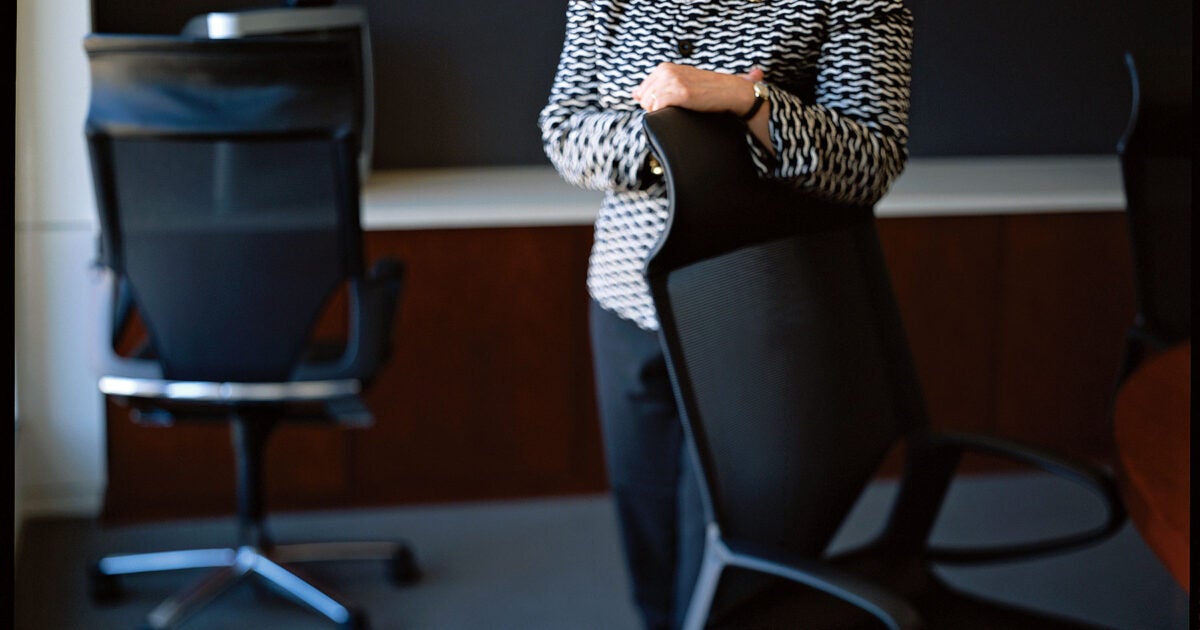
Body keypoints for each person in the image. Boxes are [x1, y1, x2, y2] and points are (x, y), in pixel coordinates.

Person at [538, 1, 913, 628]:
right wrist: (686, 136)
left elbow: (870, 158)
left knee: (730, 581)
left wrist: (748, 104)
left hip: (764, 316)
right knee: (652, 552)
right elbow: (565, 132)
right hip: (628, 300)